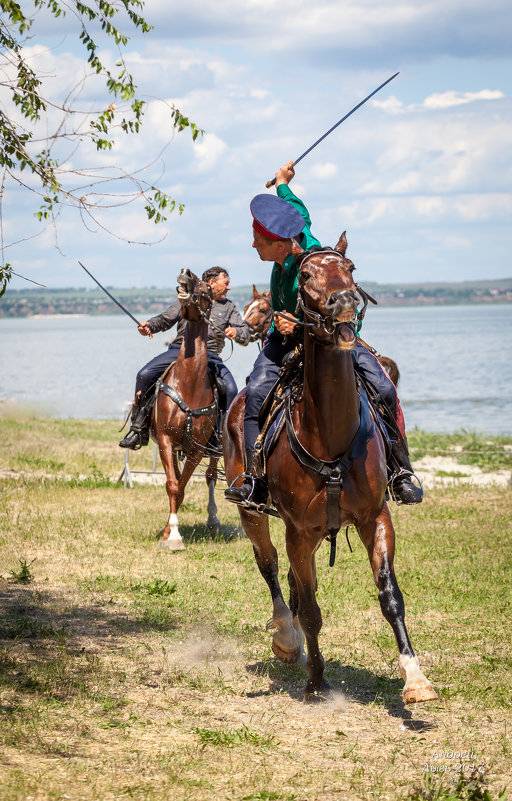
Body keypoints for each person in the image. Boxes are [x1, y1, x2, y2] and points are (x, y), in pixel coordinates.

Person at [224, 161, 423, 507]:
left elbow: (338, 312)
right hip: (282, 339)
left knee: (384, 389)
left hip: (331, 337)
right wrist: (283, 183)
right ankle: (255, 480)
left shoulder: (314, 260)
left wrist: (297, 325)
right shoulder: (285, 247)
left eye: (258, 241)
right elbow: (298, 210)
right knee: (254, 395)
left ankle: (399, 472)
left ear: (279, 244)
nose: (253, 245)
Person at [119, 266, 250, 450]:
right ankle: (139, 429)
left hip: (209, 355)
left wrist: (237, 331)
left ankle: (221, 437)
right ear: (212, 283)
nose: (229, 287)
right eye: (226, 283)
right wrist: (149, 325)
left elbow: (246, 332)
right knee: (144, 375)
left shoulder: (229, 307)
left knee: (230, 388)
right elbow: (165, 319)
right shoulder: (189, 300)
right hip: (179, 350)